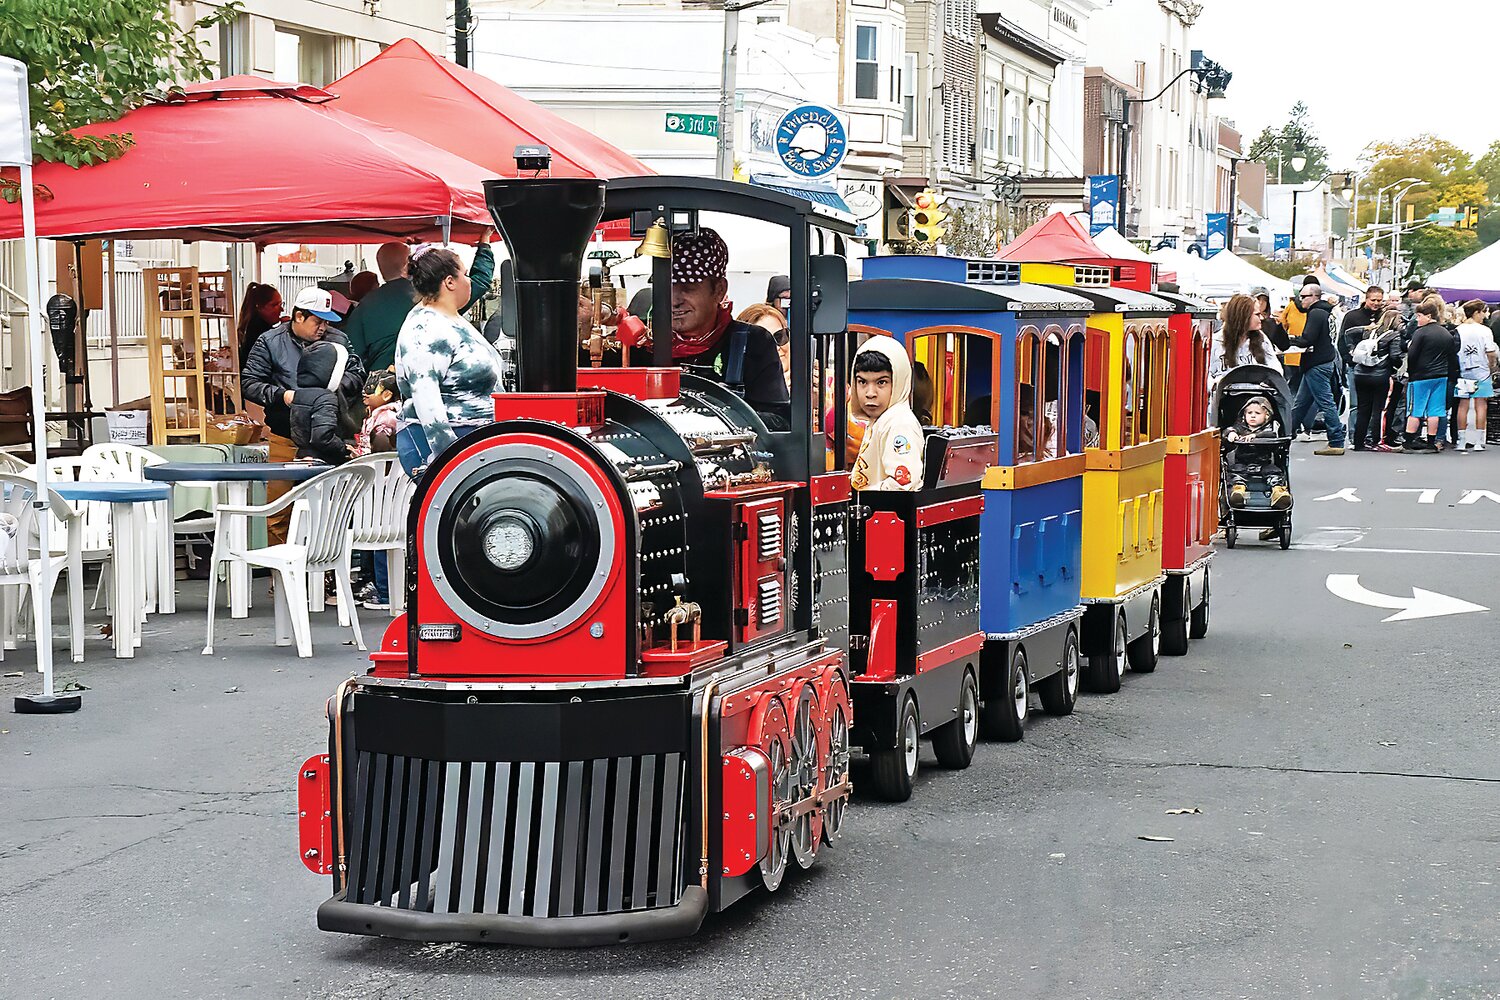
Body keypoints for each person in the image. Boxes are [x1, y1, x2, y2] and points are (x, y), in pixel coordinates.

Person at [242, 287, 366, 544]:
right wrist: (283, 396)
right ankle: (279, 578)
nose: (323, 328)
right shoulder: (269, 341)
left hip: (329, 435)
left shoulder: (339, 340)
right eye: (317, 321)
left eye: (326, 321)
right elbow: (250, 383)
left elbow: (357, 374)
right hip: (284, 436)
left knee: (331, 509)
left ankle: (325, 575)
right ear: (298, 316)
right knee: (278, 509)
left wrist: (331, 388)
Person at [394, 246, 505, 476]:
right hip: (446, 447)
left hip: (472, 441)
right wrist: (449, 461)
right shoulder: (424, 328)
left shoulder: (451, 318)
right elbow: (426, 398)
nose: (470, 281)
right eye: (464, 274)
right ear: (449, 282)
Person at [665, 229, 790, 428]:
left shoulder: (753, 343)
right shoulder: (643, 347)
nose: (674, 300)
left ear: (719, 290)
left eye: (688, 287)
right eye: (666, 286)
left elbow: (779, 422)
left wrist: (708, 421)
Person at [346, 230, 496, 372]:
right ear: (407, 267)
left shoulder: (363, 308)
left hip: (381, 392)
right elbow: (480, 281)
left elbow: (354, 356)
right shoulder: (434, 296)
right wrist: (484, 246)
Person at [848, 335, 923, 492]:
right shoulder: (880, 420)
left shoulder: (898, 424)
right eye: (862, 382)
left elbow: (902, 485)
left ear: (898, 383)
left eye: (881, 382)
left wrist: (862, 498)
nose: (870, 393)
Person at [356, 369, 401, 609]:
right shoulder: (379, 415)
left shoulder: (384, 420)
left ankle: (384, 591)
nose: (365, 392)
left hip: (382, 486)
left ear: (386, 395)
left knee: (381, 535)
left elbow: (383, 452)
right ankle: (378, 585)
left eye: (371, 388)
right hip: (380, 485)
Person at [1287, 282, 1345, 455]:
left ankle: (1336, 440)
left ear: (1314, 297)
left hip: (1317, 363)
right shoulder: (1327, 312)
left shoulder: (1316, 313)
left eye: (1304, 296)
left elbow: (1308, 338)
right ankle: (1287, 433)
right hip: (1323, 361)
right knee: (1301, 403)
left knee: (1325, 402)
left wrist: (1290, 339)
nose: (1301, 300)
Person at [289, 340, 361, 466]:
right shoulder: (326, 398)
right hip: (323, 461)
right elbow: (322, 437)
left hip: (302, 455)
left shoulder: (300, 394)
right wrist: (344, 449)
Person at [1346, 305, 1405, 451]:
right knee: (1379, 409)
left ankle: (1359, 442)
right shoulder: (1393, 336)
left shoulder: (1369, 331)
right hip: (1380, 375)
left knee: (1363, 408)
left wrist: (1351, 348)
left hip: (1360, 373)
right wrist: (1398, 366)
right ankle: (1376, 440)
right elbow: (1394, 356)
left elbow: (1348, 332)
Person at [1402, 299, 1454, 452]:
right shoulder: (1445, 333)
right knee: (1435, 410)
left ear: (1428, 315)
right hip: (1441, 375)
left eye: (1419, 316)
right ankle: (1432, 442)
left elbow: (1412, 355)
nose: (1417, 319)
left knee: (1415, 410)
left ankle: (1409, 441)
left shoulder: (1421, 333)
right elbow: (1451, 355)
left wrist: (1411, 373)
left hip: (1421, 376)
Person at [1224, 395, 1291, 510]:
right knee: (1235, 472)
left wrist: (1255, 436)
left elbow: (1273, 435)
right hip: (1243, 462)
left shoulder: (1269, 428)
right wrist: (1231, 434)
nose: (1253, 416)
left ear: (1267, 416)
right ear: (1244, 416)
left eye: (1257, 413)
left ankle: (1278, 492)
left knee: (1274, 471)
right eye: (1249, 413)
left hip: (1264, 463)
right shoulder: (1240, 428)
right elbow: (1229, 430)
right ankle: (1237, 491)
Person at [1339, 286, 1385, 438]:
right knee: (1356, 403)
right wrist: (1350, 360)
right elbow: (1342, 341)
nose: (1376, 303)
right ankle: (1354, 434)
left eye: (1379, 300)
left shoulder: (1384, 316)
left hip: (1379, 367)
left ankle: (1372, 435)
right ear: (1366, 299)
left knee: (1375, 405)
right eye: (1373, 300)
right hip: (1357, 367)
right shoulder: (1352, 317)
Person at [1455, 299, 1499, 450]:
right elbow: (1491, 352)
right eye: (1483, 312)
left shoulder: (1459, 329)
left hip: (1463, 370)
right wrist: (1492, 366)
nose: (1485, 316)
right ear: (1476, 312)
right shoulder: (1484, 330)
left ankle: (1461, 440)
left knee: (1463, 405)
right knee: (1481, 404)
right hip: (1482, 370)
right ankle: (1479, 441)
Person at [1210, 294, 1282, 381]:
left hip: (1257, 393)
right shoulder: (1216, 342)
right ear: (1243, 316)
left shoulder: (1262, 339)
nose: (1262, 318)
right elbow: (1207, 376)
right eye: (1257, 314)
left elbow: (1276, 370)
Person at [735, 302, 790, 389]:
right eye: (764, 342)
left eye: (780, 336)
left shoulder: (805, 380)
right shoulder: (738, 393)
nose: (776, 348)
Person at [236, 282, 283, 369]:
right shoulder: (259, 331)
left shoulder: (251, 325)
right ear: (259, 307)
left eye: (281, 304)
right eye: (275, 305)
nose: (281, 309)